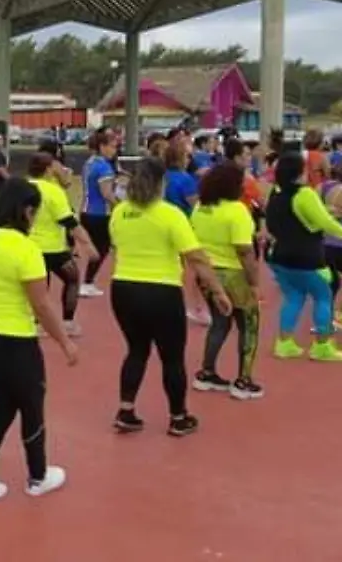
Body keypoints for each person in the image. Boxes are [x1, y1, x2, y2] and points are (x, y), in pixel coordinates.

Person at [0, 178, 75, 504]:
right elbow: (41, 304)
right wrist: (65, 342)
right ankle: (38, 476)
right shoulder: (25, 248)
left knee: (2, 405)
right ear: (27, 210)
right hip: (13, 341)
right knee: (31, 406)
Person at [108, 157, 230, 437]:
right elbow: (195, 256)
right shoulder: (170, 214)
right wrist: (217, 291)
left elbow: (117, 246)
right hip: (161, 289)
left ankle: (126, 410)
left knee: (136, 350)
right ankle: (178, 416)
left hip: (124, 287)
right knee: (172, 357)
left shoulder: (120, 212)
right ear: (161, 183)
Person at [189, 162, 264, 399]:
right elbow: (245, 251)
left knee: (219, 323)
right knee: (249, 325)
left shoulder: (201, 207)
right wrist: (254, 282)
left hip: (207, 273)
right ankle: (244, 379)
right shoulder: (237, 210)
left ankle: (207, 372)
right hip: (233, 273)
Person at [266, 151, 342, 361]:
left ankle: (284, 343)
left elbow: (273, 223)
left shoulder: (275, 194)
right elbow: (325, 222)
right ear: (300, 172)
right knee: (323, 296)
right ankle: (322, 346)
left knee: (293, 297)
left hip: (280, 256)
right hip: (307, 256)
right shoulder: (305, 194)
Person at [27, 152, 97, 337]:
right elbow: (69, 221)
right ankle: (67, 322)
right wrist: (87, 243)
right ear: (48, 169)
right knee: (72, 278)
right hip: (52, 248)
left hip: (28, 246)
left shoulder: (23, 187)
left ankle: (35, 323)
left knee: (39, 285)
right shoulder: (52, 191)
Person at [78, 130, 117, 297]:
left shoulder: (89, 163)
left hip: (86, 210)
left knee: (96, 247)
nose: (114, 150)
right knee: (101, 248)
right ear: (102, 147)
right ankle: (87, 281)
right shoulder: (104, 167)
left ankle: (87, 280)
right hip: (99, 213)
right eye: (113, 147)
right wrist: (120, 205)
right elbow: (106, 193)